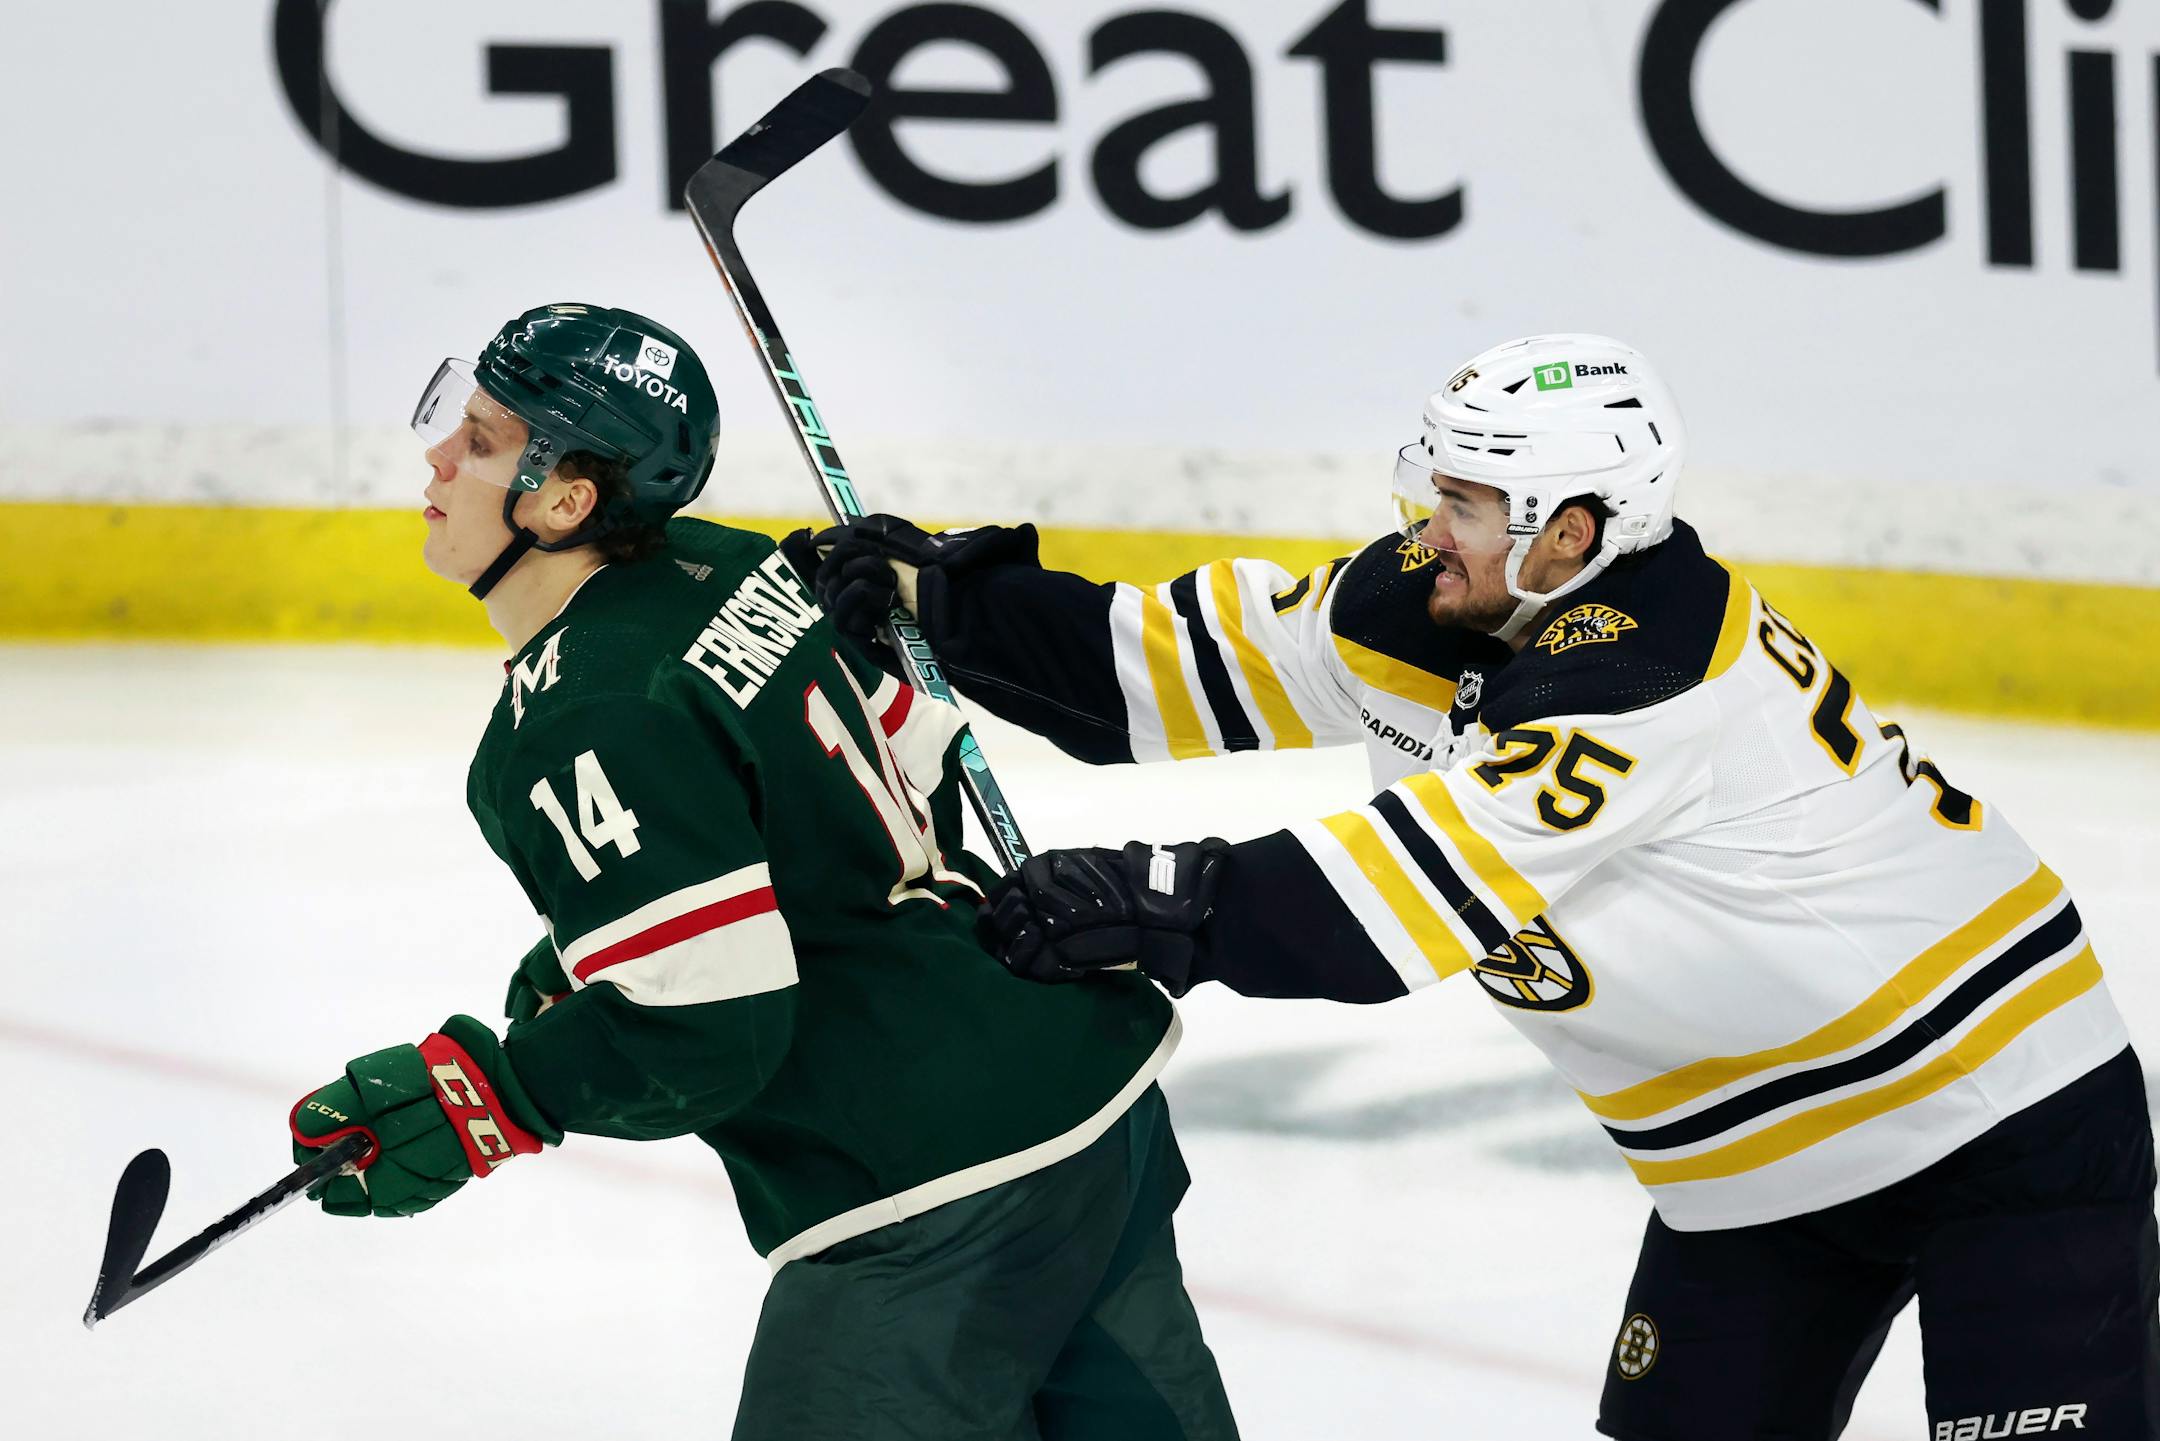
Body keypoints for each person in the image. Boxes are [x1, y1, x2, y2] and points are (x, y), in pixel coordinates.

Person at [804, 335, 2160, 1440]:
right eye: (1435, 491)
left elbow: (1420, 887)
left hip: (2001, 1115)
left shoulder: (1647, 675)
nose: (1426, 531)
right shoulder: (1440, 600)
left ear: (1570, 532)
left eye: (1463, 506)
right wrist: (951, 599)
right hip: (1749, 1176)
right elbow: (1184, 659)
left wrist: (1161, 902)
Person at [286, 302, 1238, 1441]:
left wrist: (496, 1091)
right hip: (1092, 1100)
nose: (438, 456)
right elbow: (905, 778)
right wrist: (631, 924)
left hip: (931, 1198)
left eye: (481, 439)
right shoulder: (727, 564)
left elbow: (709, 1033)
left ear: (565, 499)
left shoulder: (574, 719)